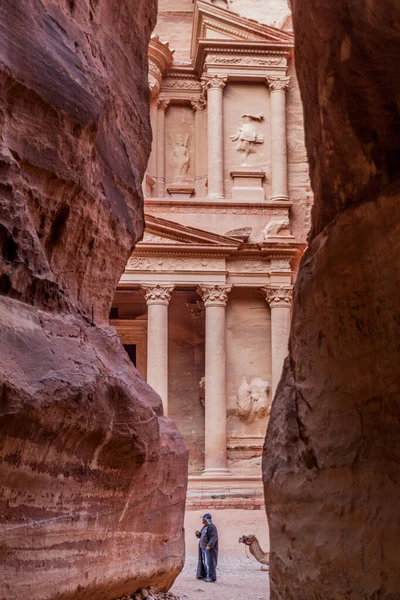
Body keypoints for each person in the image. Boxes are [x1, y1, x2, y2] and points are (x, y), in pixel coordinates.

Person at [195, 513, 218, 583]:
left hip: (207, 549)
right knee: (205, 562)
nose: (202, 520)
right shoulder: (205, 527)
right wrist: (198, 534)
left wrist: (209, 545)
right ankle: (205, 576)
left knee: (209, 563)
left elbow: (213, 537)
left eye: (203, 519)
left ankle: (210, 577)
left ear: (206, 519)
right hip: (203, 548)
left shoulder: (212, 527)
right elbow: (202, 536)